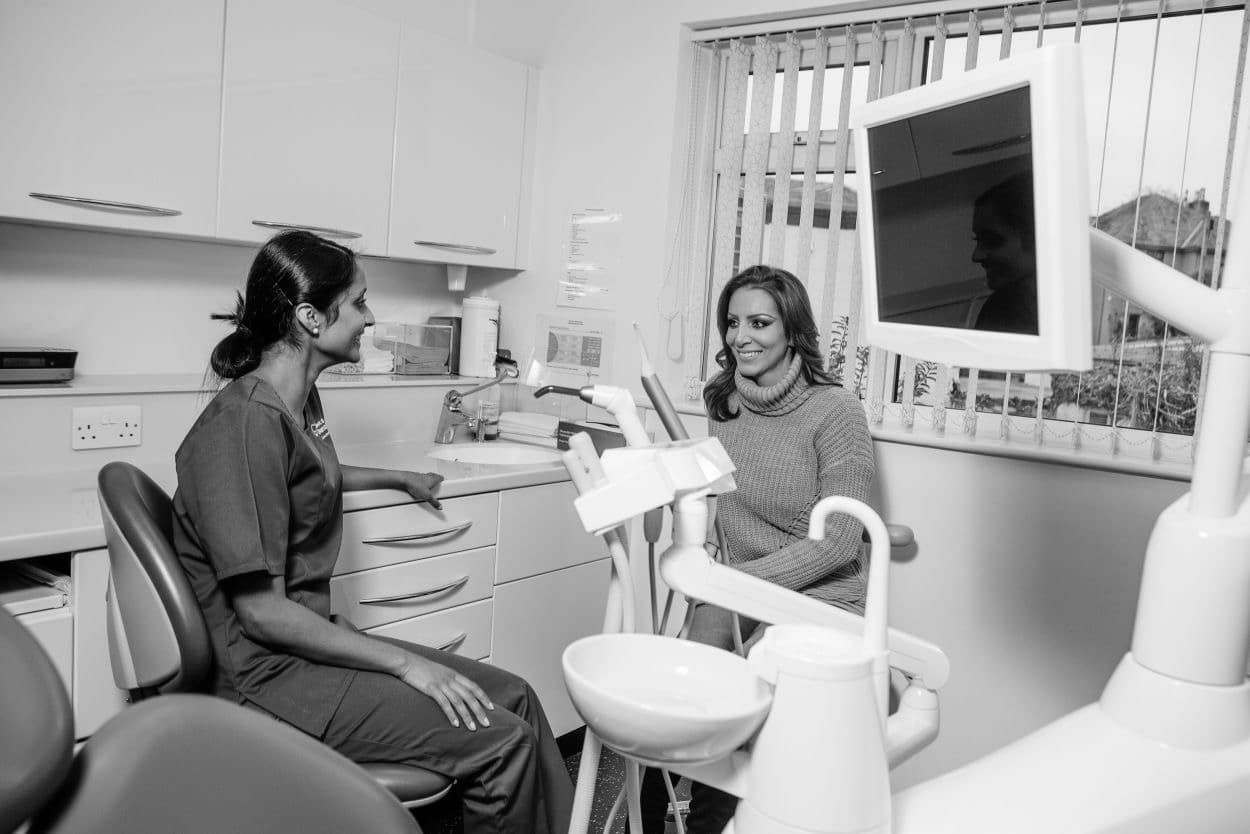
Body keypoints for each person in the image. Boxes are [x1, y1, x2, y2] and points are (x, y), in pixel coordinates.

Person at [172, 230, 573, 834]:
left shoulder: (297, 402)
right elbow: (261, 615)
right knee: (501, 742)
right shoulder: (243, 425)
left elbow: (307, 471)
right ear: (310, 317)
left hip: (305, 648)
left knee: (515, 695)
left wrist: (396, 476)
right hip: (265, 676)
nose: (370, 317)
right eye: (359, 303)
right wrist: (406, 665)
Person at [640, 265, 876, 834]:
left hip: (821, 596)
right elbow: (719, 507)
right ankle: (645, 822)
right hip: (738, 592)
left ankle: (710, 824)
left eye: (759, 322)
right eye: (732, 322)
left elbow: (841, 540)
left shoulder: (836, 411)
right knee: (682, 694)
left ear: (792, 330)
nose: (741, 336)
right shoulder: (723, 406)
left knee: (741, 706)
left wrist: (732, 586)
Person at [970, 171, 1039, 334]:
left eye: (992, 240)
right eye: (977, 241)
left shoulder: (1006, 307)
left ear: (1036, 239)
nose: (976, 255)